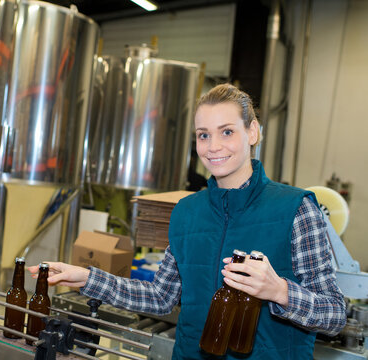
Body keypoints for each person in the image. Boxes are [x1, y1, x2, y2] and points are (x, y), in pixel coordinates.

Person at [29, 83, 346, 359]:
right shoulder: (186, 212)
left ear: (253, 132)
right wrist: (88, 278)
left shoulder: (295, 208)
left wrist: (280, 291)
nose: (213, 147)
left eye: (227, 132)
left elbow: (334, 314)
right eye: (203, 135)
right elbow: (161, 297)